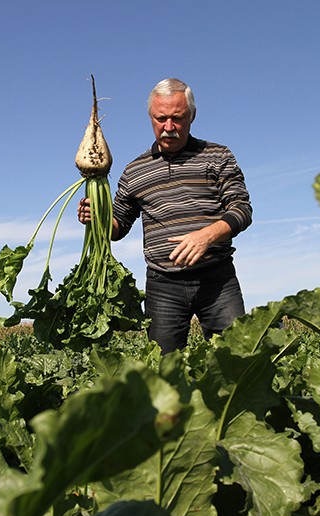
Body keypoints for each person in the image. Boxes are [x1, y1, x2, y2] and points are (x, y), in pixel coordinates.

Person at [77, 78, 253, 354]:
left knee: (237, 359)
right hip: (163, 287)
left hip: (217, 281)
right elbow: (118, 227)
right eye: (161, 119)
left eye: (177, 118)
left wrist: (206, 236)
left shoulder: (218, 155)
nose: (168, 127)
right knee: (163, 369)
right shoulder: (135, 170)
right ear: (151, 117)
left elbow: (241, 210)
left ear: (191, 116)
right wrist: (98, 219)